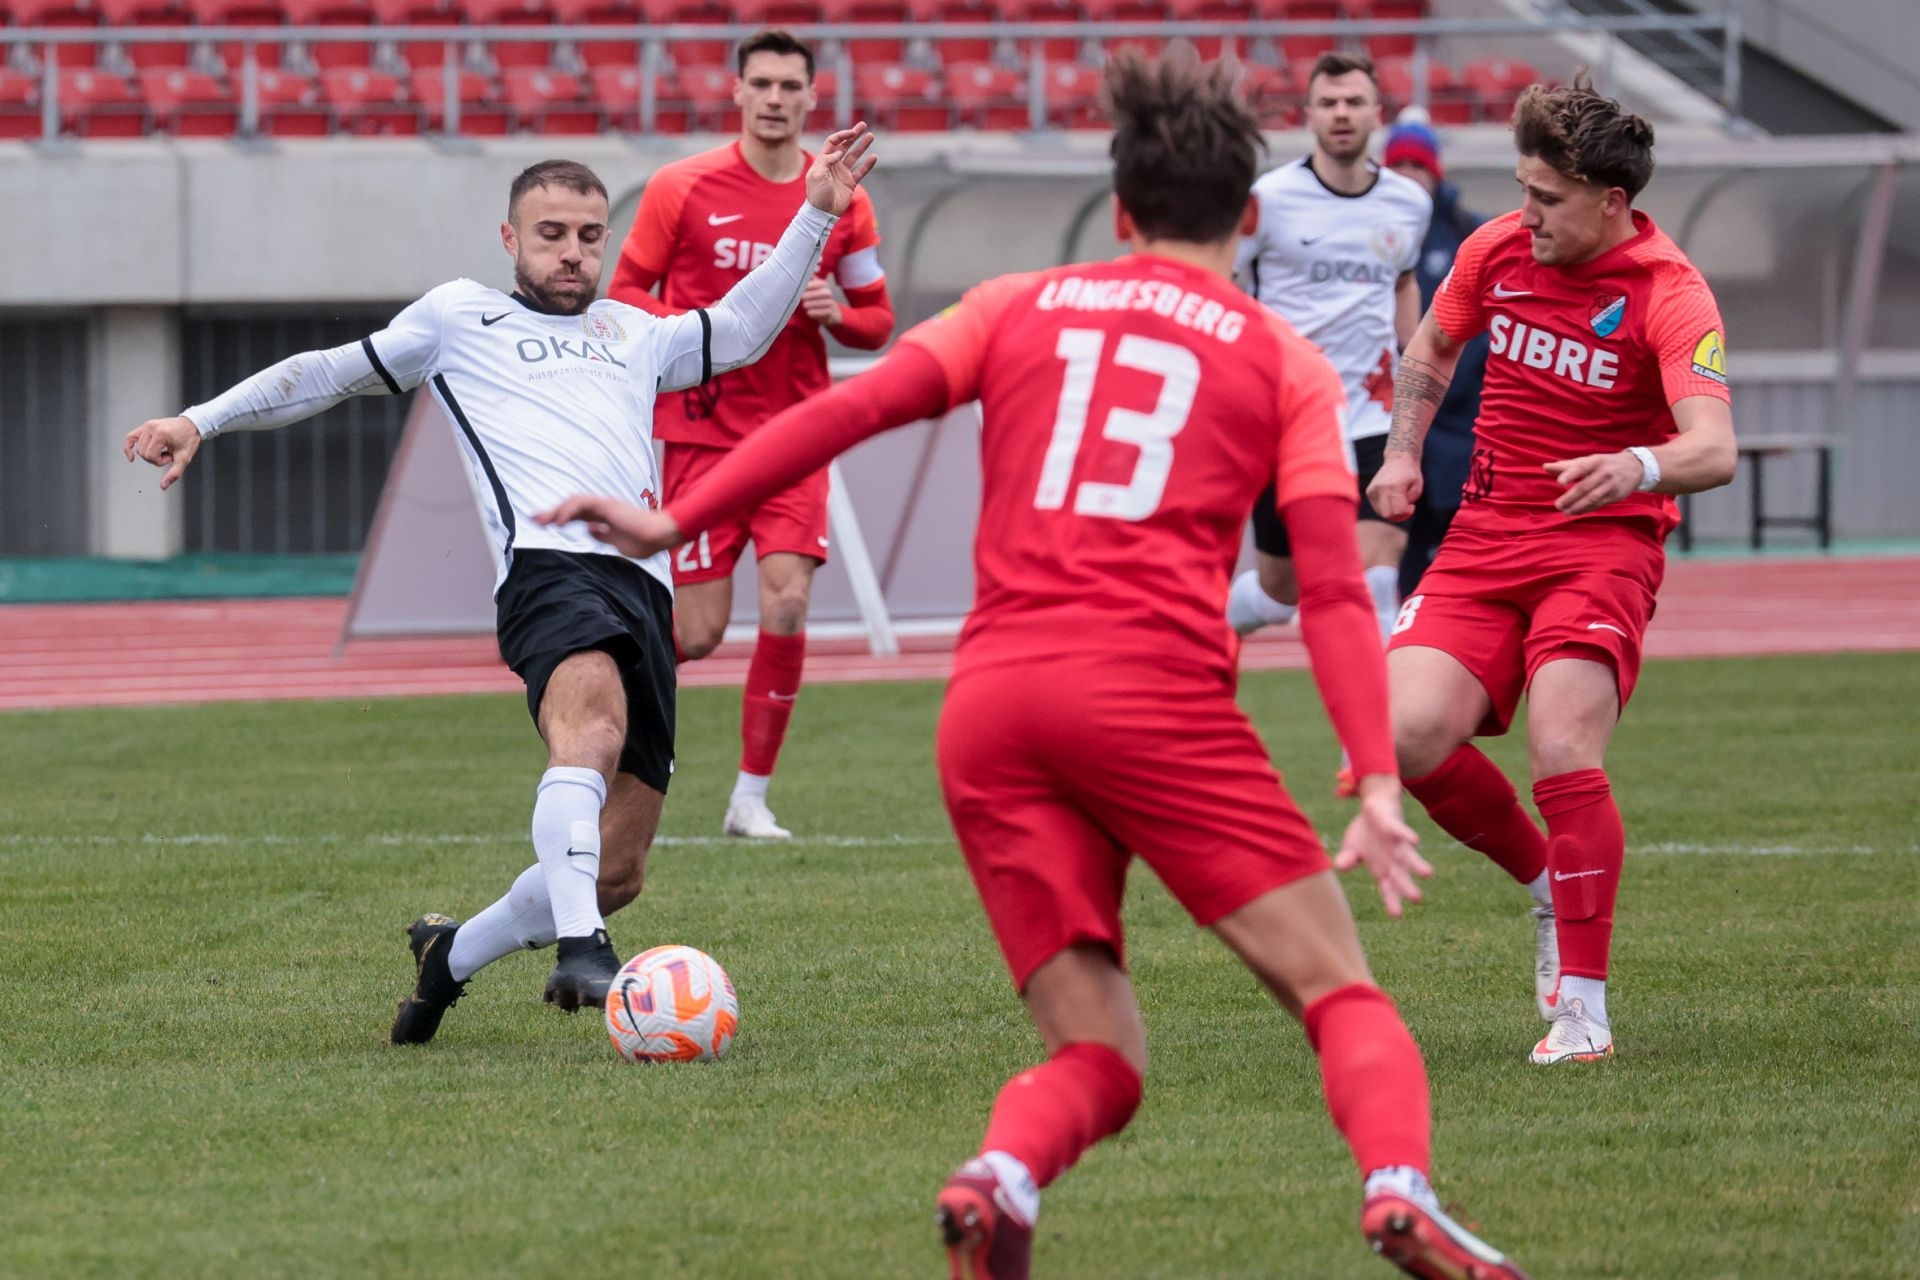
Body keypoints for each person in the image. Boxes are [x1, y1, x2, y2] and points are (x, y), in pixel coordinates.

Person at [542, 50, 1528, 1280]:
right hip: (1155, 701)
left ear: (1118, 211)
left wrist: (671, 518)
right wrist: (1376, 776)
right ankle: (1397, 1187)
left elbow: (847, 408)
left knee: (1098, 1055)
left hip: (996, 711)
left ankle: (999, 1176)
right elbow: (1329, 587)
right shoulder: (1287, 362)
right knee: (1341, 995)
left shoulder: (1017, 302)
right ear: (1249, 217)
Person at [123, 135, 879, 1043]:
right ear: (510, 239)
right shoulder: (459, 317)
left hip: (645, 590)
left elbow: (745, 329)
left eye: (589, 236)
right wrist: (200, 419)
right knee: (591, 728)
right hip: (547, 568)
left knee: (617, 869)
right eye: (550, 233)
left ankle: (451, 957)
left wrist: (816, 211)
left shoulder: (633, 332)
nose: (572, 253)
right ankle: (583, 948)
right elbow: (327, 370)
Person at [1369, 78, 1737, 1065]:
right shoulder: (1495, 250)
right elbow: (1432, 345)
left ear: (1610, 202)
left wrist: (1639, 465)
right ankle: (1544, 881)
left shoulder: (1669, 291)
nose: (1523, 213)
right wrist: (1403, 453)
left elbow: (1714, 446)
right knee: (1403, 732)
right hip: (1486, 533)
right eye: (1521, 190)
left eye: (1545, 198)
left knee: (1563, 744)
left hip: (1601, 542)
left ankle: (1583, 1011)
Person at [608, 28, 895, 842]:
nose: (774, 98)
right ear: (736, 92)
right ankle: (593, 706)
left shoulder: (843, 195)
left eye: (789, 86)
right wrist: (706, 330)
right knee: (696, 632)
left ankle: (750, 799)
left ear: (812, 98)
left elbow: (879, 319)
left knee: (788, 599)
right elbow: (625, 293)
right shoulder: (681, 186)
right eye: (761, 83)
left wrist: (840, 316)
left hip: (796, 435)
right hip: (702, 436)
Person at [1226, 50, 1431, 653]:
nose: (1342, 113)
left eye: (1354, 102)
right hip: (1289, 417)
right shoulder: (1268, 199)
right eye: (1329, 103)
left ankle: (1389, 714)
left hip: (1374, 414)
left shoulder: (1408, 203)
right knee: (1279, 592)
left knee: (1378, 576)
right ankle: (1217, 622)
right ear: (1309, 115)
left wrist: (1418, 363)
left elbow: (1403, 282)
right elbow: (1226, 283)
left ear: (1377, 113)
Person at [1382, 111, 1491, 599]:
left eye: (1417, 165)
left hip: (1457, 427)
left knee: (1461, 558)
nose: (1408, 176)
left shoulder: (1468, 234)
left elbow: (1482, 331)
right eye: (1398, 165)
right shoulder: (1369, 234)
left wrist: (1448, 384)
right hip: (1388, 418)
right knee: (1394, 559)